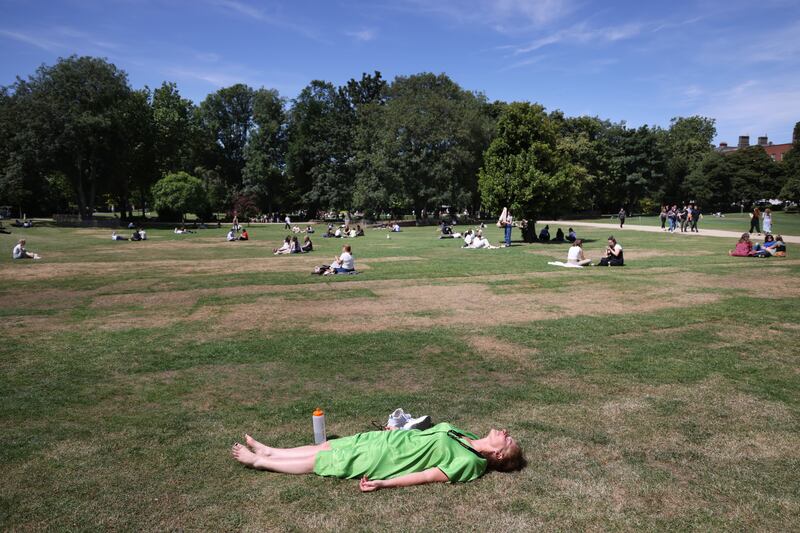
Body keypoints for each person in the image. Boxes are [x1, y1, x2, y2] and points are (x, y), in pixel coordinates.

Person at [231, 423, 524, 492]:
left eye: (507, 439)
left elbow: (427, 475)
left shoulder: (471, 462)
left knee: (320, 463)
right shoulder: (463, 434)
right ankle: (272, 451)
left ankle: (260, 462)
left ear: (498, 454)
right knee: (326, 448)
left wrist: (385, 483)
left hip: (386, 458)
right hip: (385, 439)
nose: (504, 431)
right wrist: (397, 428)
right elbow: (429, 433)